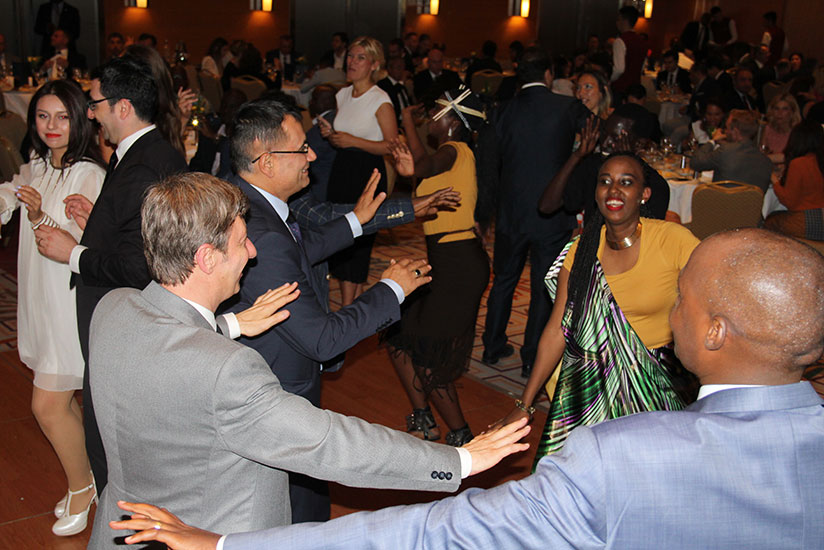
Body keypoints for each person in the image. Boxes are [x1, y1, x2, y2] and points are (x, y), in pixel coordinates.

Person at [113, 228, 824, 550]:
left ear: (719, 333)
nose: (671, 308)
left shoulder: (626, 455)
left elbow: (434, 535)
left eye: (684, 299)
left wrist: (227, 547)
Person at [87, 171, 530, 548]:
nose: (253, 253)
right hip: (213, 534)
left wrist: (234, 325)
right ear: (206, 258)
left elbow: (169, 348)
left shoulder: (114, 310)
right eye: (242, 242)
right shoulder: (225, 371)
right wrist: (461, 462)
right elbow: (329, 442)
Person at [221, 97, 461, 523]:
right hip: (279, 387)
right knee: (298, 507)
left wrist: (356, 221)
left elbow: (299, 249)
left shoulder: (244, 198)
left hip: (261, 375)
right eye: (301, 148)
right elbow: (322, 338)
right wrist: (391, 289)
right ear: (267, 160)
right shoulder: (262, 229)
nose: (312, 154)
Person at [33, 53, 188, 495]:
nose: (90, 113)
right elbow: (132, 233)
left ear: (122, 108)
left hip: (123, 321)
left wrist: (73, 253)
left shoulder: (142, 165)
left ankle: (117, 528)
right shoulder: (145, 153)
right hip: (128, 318)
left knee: (110, 437)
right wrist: (94, 223)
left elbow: (139, 266)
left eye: (96, 103)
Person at [510, 152, 699, 458]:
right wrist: (525, 404)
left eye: (627, 182)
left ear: (644, 194)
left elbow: (717, 296)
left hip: (660, 389)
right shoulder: (582, 250)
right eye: (605, 182)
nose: (614, 190)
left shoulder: (672, 240)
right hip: (592, 389)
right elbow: (559, 327)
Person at [0, 80, 104, 537]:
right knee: (60, 404)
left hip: (69, 299)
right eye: (43, 116)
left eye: (62, 116)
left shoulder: (89, 174)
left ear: (80, 118)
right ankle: (91, 478)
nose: (51, 126)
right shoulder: (37, 165)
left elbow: (84, 244)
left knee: (47, 405)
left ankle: (83, 486)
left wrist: (40, 214)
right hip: (39, 296)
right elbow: (10, 193)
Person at [386, 90, 489, 447]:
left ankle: (462, 436)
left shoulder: (455, 151)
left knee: (430, 354)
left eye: (435, 113)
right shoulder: (449, 157)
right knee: (398, 334)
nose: (430, 118)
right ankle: (423, 418)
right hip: (443, 260)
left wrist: (408, 122)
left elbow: (424, 165)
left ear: (451, 122)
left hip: (459, 264)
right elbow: (421, 178)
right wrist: (408, 172)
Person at [480, 47, 586, 379]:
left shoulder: (503, 111)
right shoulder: (568, 107)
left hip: (511, 211)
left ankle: (492, 345)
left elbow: (490, 168)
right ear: (549, 75)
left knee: (504, 281)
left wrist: (488, 212)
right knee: (543, 287)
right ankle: (531, 357)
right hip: (551, 213)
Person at [319, 36, 397, 306]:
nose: (352, 62)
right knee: (341, 234)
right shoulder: (342, 94)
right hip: (342, 169)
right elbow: (346, 133)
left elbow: (391, 144)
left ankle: (350, 306)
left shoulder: (381, 100)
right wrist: (332, 135)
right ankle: (348, 300)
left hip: (368, 172)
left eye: (360, 57)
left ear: (374, 64)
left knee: (360, 238)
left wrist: (352, 141)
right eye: (351, 56)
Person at [539, 112, 670, 222]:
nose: (605, 143)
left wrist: (628, 163)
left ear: (638, 144)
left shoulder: (655, 185)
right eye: (604, 134)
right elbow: (547, 206)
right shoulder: (594, 165)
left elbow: (642, 235)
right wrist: (576, 156)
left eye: (615, 138)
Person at [691, 109, 773, 192]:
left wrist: (713, 141)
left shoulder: (725, 151)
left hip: (719, 203)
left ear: (735, 131)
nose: (725, 132)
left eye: (727, 128)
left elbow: (695, 163)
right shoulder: (766, 162)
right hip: (749, 204)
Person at [771, 119, 824, 212]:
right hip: (819, 214)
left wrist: (773, 179)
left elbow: (788, 201)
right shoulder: (817, 160)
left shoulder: (799, 163)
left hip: (807, 217)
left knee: (770, 220)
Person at [610, 6, 646, 98]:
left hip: (621, 89)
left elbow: (619, 69)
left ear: (624, 21)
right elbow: (642, 67)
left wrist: (609, 80)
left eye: (618, 19)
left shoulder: (620, 41)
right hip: (635, 89)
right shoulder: (642, 41)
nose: (617, 23)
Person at [760, 92, 801, 164]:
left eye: (785, 109)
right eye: (776, 109)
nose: (780, 112)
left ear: (792, 112)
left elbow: (795, 157)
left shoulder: (797, 132)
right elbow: (762, 153)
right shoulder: (768, 129)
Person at [377, 56, 413, 124]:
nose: (402, 71)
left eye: (403, 68)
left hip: (407, 120)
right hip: (394, 122)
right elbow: (392, 95)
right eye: (399, 68)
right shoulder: (383, 84)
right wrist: (401, 82)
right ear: (389, 69)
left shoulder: (401, 86)